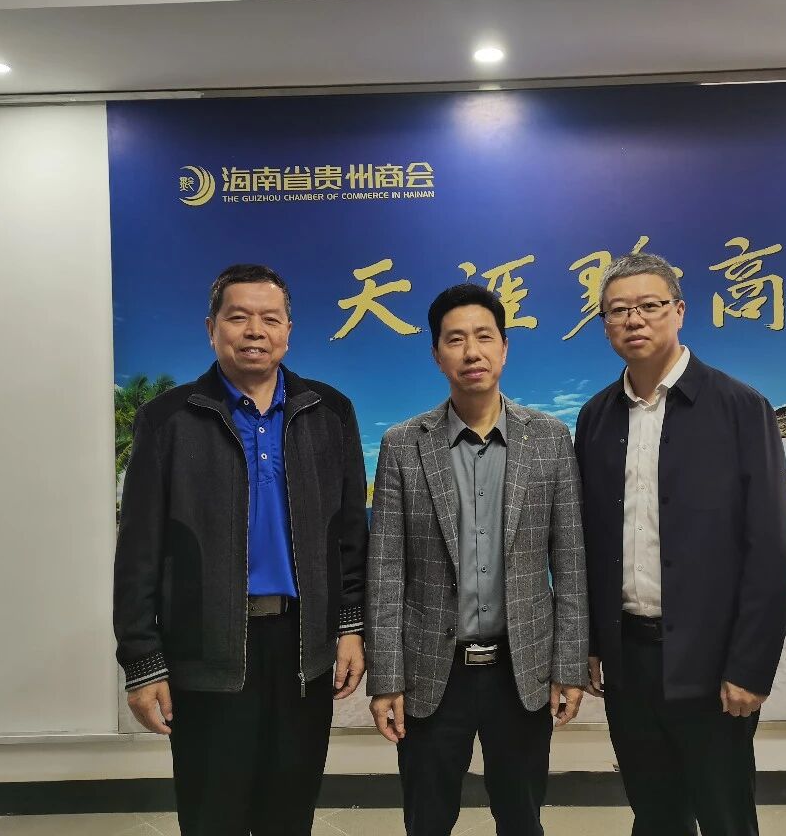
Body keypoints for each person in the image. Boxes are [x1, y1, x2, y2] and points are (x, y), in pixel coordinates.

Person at [113, 263, 368, 836]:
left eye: (270, 319)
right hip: (206, 650)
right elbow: (138, 553)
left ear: (288, 332)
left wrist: (351, 628)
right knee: (213, 816)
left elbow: (351, 536)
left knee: (289, 815)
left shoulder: (330, 413)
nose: (255, 330)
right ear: (212, 328)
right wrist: (142, 662)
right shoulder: (168, 419)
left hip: (302, 650)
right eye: (239, 317)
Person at [574, 252, 786, 836]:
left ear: (679, 311)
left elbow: (772, 549)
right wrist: (592, 642)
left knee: (726, 816)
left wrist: (750, 666)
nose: (633, 320)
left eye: (649, 306)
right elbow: (589, 541)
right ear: (605, 324)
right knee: (655, 815)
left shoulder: (740, 408)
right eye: (617, 310)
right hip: (629, 662)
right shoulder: (596, 418)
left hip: (712, 662)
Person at [366, 284, 589, 836]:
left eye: (485, 337)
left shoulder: (550, 439)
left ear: (505, 348)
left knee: (521, 817)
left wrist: (568, 667)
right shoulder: (402, 444)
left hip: (521, 670)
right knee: (427, 820)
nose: (472, 352)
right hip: (431, 672)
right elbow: (386, 571)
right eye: (456, 339)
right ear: (436, 354)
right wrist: (386, 679)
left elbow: (570, 563)